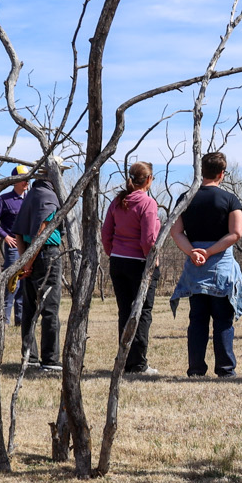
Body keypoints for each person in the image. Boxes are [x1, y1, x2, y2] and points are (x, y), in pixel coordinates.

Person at [168, 151, 242, 378]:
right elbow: (236, 233)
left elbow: (176, 232)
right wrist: (210, 251)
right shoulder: (230, 200)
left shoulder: (185, 197)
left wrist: (193, 252)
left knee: (197, 319)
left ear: (201, 171)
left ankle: (195, 369)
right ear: (222, 173)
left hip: (195, 268)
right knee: (223, 319)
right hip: (221, 266)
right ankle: (225, 370)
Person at [99, 160, 162, 378]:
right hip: (139, 263)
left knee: (125, 311)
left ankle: (124, 359)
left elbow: (106, 233)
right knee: (142, 312)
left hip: (118, 261)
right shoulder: (147, 203)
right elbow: (148, 238)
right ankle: (138, 364)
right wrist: (151, 260)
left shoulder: (118, 201)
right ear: (149, 180)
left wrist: (113, 252)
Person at [12, 169, 64, 370]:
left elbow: (19, 233)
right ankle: (50, 360)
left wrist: (25, 261)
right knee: (49, 308)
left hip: (31, 258)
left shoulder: (32, 194)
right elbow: (41, 231)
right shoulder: (48, 196)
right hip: (46, 255)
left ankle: (29, 358)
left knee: (30, 308)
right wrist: (28, 263)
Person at [0, 164, 32, 325]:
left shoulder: (31, 198)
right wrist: (4, 236)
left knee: (25, 284)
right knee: (12, 284)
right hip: (13, 248)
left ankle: (21, 321)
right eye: (23, 179)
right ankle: (3, 321)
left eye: (28, 179)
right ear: (14, 181)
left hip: (30, 248)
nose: (26, 182)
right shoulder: (4, 199)